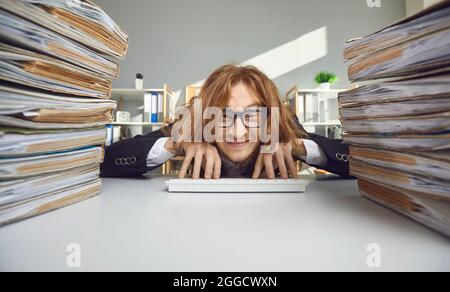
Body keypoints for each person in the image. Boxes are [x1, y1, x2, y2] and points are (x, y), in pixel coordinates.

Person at [101, 65, 351, 179]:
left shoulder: (282, 123)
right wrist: (177, 144)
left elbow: (360, 163)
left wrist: (297, 146)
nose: (237, 131)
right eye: (223, 115)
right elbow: (105, 161)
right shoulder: (192, 121)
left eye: (252, 114)